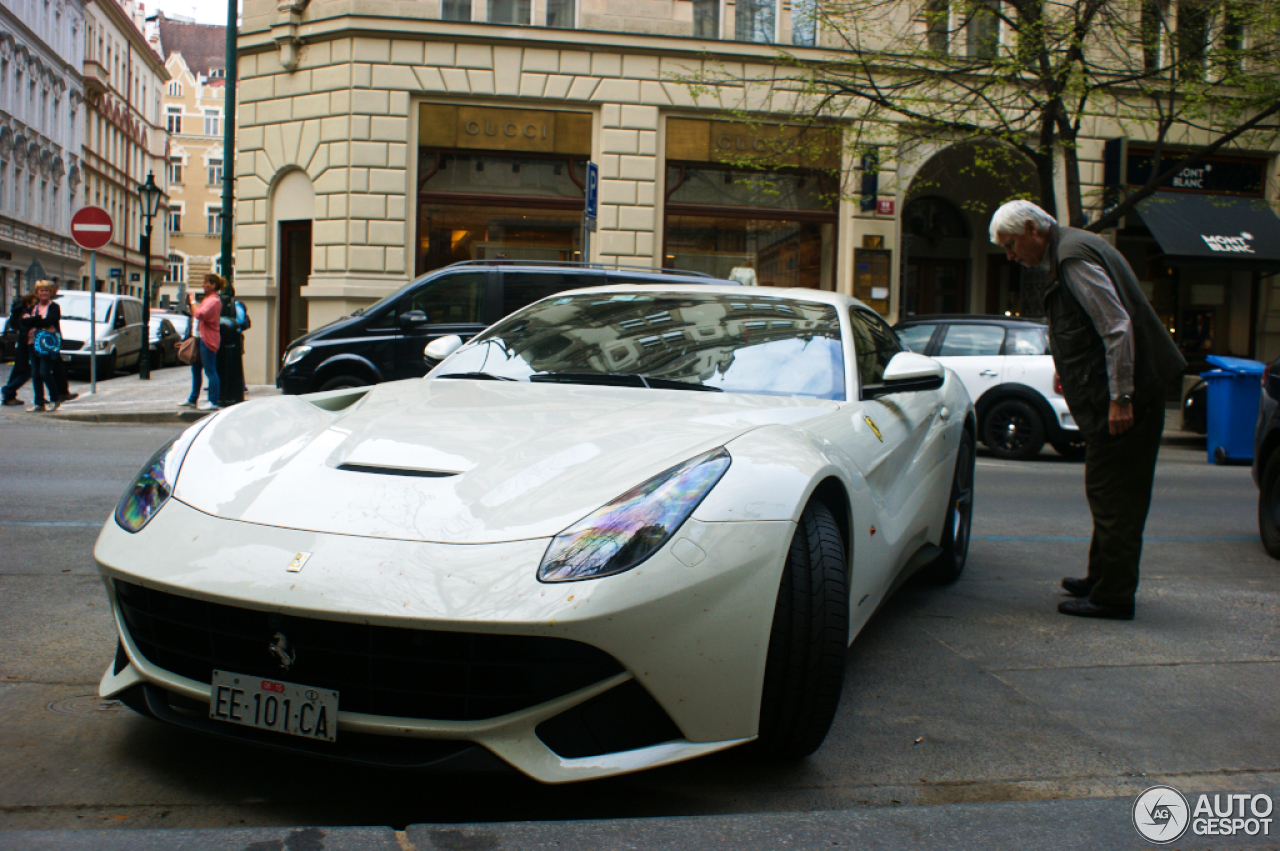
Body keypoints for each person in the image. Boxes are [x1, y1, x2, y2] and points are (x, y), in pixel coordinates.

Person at [990, 200, 1186, 621]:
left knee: (1116, 498)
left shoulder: (1072, 256)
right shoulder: (1070, 249)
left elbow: (1115, 327)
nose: (1011, 256)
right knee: (1106, 492)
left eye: (1011, 245)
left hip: (1127, 399)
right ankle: (1101, 578)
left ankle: (1112, 595)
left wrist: (1121, 397)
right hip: (1113, 398)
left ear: (1031, 228)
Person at [21, 281, 63, 412]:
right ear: (37, 293)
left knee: (44, 373)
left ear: (50, 293)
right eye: (42, 290)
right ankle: (39, 403)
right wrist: (39, 319)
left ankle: (55, 398)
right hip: (32, 343)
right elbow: (23, 321)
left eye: (46, 290)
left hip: (47, 345)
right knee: (35, 374)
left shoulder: (54, 307)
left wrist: (33, 320)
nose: (44, 293)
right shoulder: (33, 307)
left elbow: (50, 320)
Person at [186, 272, 223, 411]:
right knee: (196, 369)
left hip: (208, 341)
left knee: (210, 371)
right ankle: (192, 399)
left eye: (205, 282)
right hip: (201, 338)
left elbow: (199, 314)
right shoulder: (209, 300)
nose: (203, 284)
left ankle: (213, 401)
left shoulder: (214, 301)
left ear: (212, 285)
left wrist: (192, 301)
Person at [2, 291, 36, 406]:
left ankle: (9, 396)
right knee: (26, 372)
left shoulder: (21, 310)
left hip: (22, 342)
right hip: (25, 342)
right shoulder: (23, 311)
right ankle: (8, 390)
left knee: (18, 371)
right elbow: (18, 323)